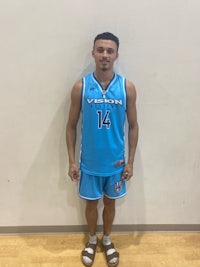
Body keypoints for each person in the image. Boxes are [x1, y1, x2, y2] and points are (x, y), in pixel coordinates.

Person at [66, 32, 138, 267]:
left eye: (109, 50)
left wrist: (131, 162)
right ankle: (91, 239)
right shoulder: (81, 87)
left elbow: (134, 126)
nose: (105, 55)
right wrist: (72, 161)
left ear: (116, 54)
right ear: (93, 53)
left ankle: (106, 240)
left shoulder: (127, 87)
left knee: (110, 203)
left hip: (116, 162)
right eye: (100, 50)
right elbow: (71, 125)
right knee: (90, 203)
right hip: (89, 162)